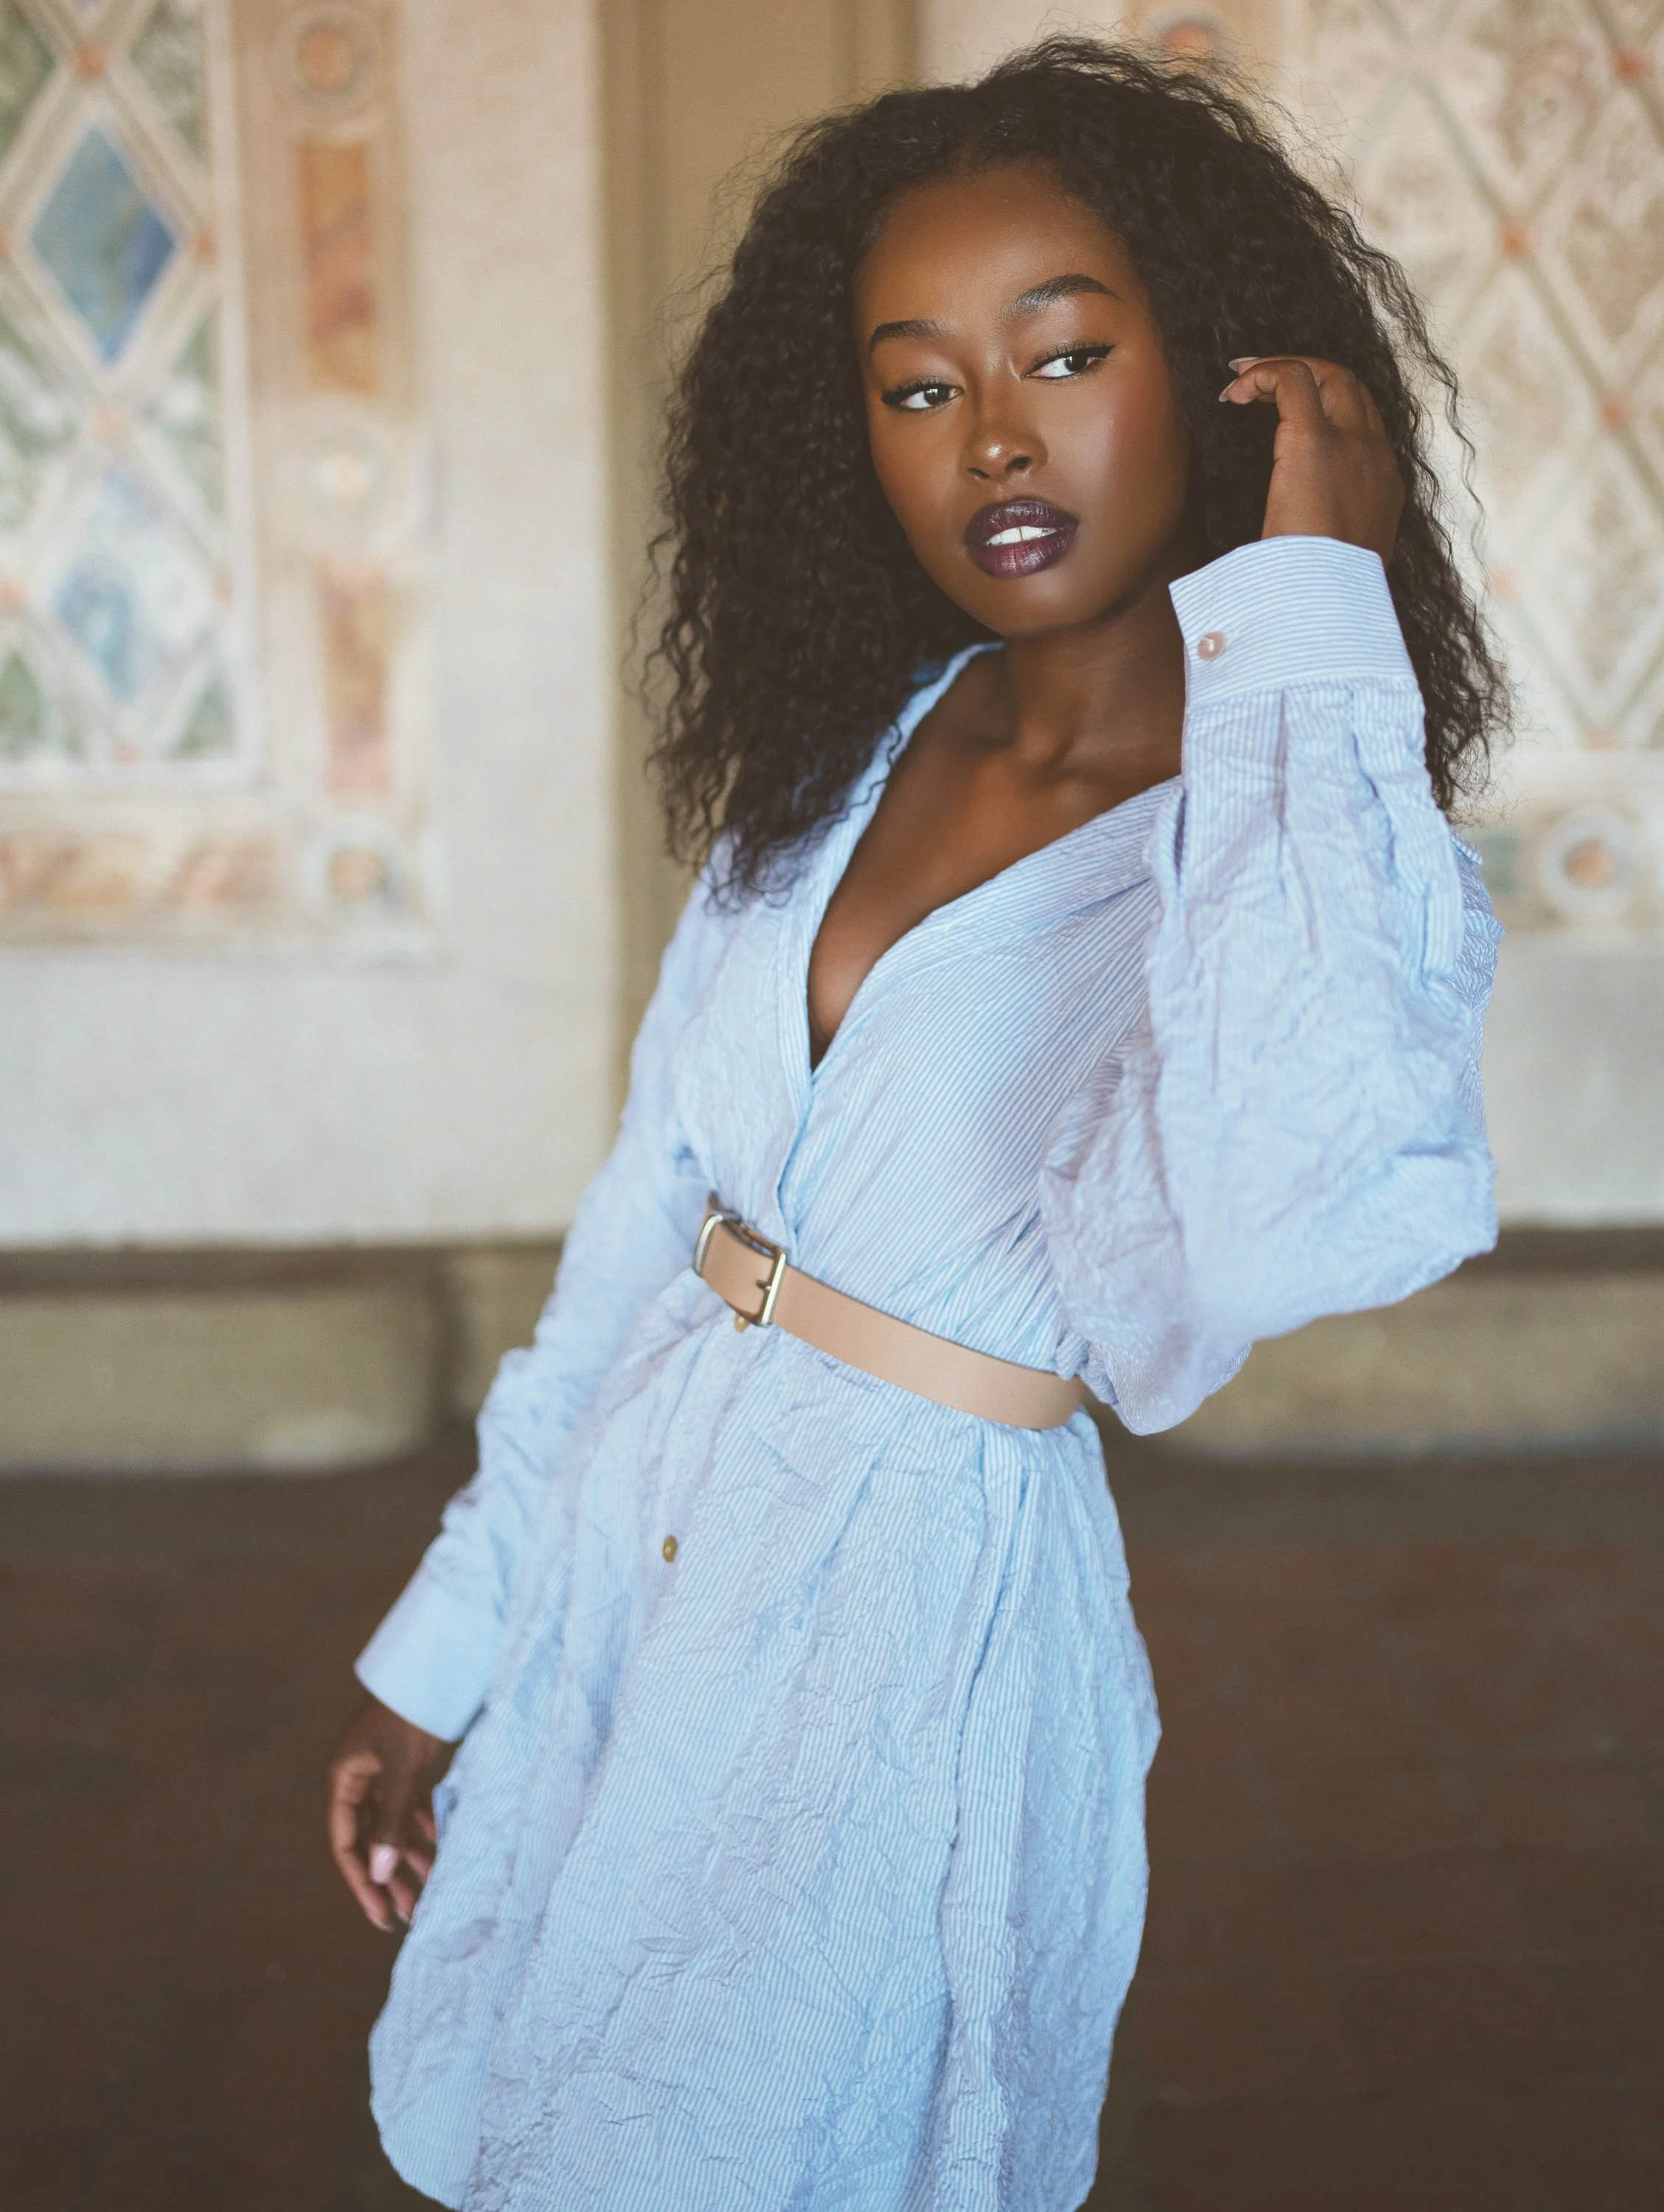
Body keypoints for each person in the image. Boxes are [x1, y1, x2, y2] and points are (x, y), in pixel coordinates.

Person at [326, 39, 1505, 2211]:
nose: (996, 441)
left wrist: (1314, 616)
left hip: (901, 1649)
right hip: (635, 1565)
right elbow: (646, 1227)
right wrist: (443, 1652)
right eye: (918, 386)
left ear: (1223, 373)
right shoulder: (845, 756)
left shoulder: (1282, 836)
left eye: (1065, 352)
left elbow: (1292, 1210)